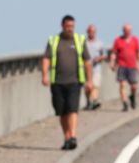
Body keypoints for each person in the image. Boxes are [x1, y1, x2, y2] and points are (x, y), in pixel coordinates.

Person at [42, 14, 94, 150]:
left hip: (75, 81)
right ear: (62, 26)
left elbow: (87, 62)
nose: (70, 29)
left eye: (72, 26)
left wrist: (90, 81)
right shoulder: (54, 41)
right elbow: (46, 58)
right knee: (62, 112)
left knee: (72, 109)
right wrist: (44, 75)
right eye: (67, 26)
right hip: (57, 82)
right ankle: (66, 137)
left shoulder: (79, 40)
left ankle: (73, 136)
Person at [110, 23, 139, 112]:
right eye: (126, 30)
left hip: (132, 66)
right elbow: (114, 53)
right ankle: (125, 103)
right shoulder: (118, 40)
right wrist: (112, 63)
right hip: (122, 65)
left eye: (129, 30)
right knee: (122, 84)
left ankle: (132, 96)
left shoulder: (135, 40)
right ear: (123, 31)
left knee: (134, 86)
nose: (127, 32)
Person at [85, 24, 106, 110]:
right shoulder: (84, 43)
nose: (91, 33)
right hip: (85, 68)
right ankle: (88, 102)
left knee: (95, 85)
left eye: (93, 32)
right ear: (87, 32)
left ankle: (94, 101)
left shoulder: (100, 43)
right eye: (90, 31)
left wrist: (99, 58)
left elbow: (104, 55)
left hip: (96, 68)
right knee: (88, 87)